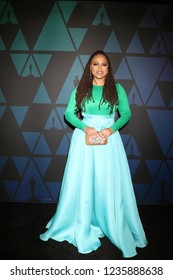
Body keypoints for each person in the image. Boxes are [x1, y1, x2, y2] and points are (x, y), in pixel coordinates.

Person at [40, 50, 148, 258]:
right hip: (84, 140)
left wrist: (111, 128)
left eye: (104, 65)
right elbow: (68, 113)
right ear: (90, 67)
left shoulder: (117, 89)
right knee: (83, 180)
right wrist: (84, 126)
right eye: (96, 64)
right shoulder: (80, 88)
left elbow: (126, 113)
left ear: (109, 68)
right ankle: (81, 220)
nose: (100, 68)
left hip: (109, 140)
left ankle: (110, 220)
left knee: (107, 181)